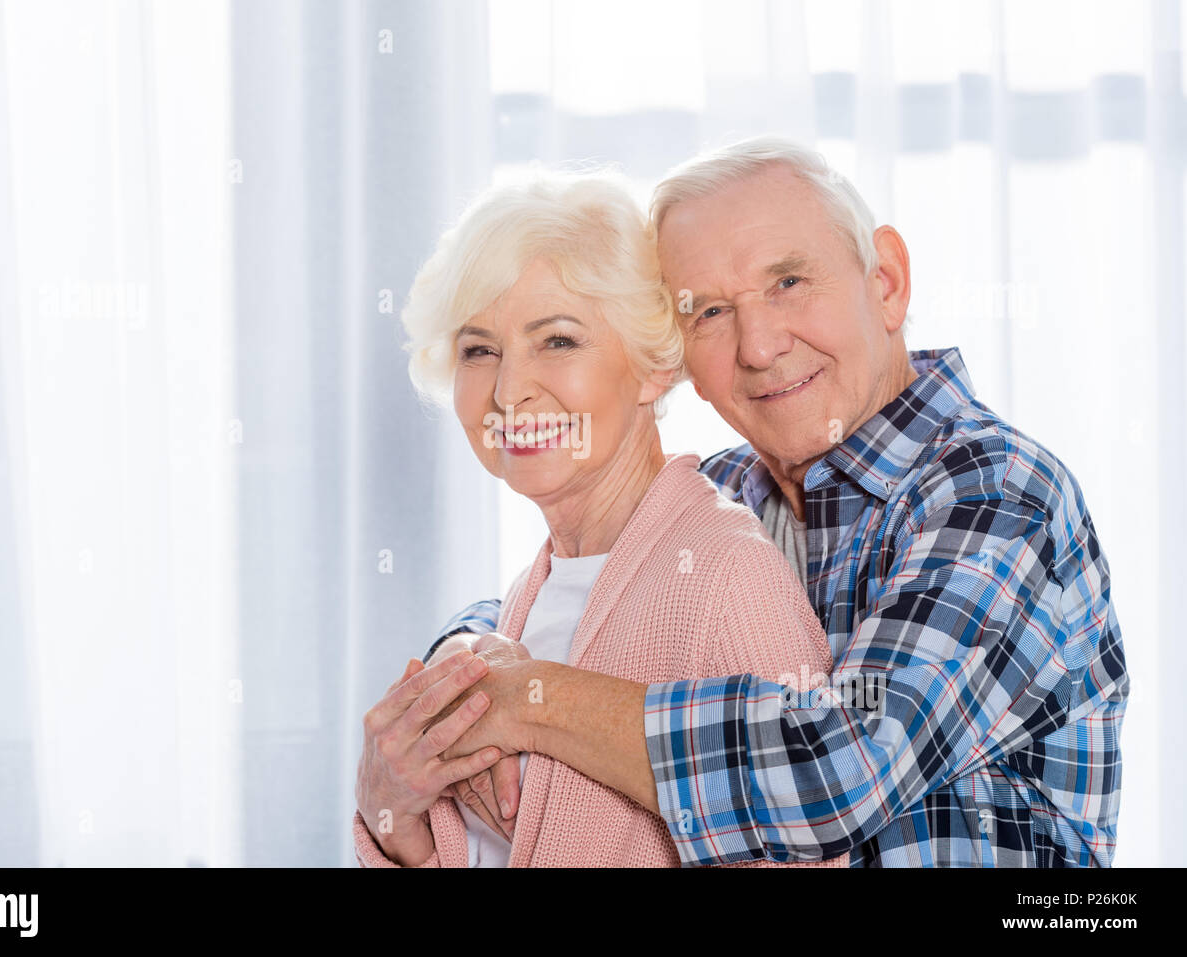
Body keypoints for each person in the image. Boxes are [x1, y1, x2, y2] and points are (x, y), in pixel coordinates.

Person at [419, 137, 1131, 867]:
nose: (758, 344)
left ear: (886, 281)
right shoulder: (718, 499)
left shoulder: (995, 491)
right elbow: (569, 602)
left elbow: (836, 771)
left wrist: (529, 697)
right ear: (676, 356)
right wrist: (465, 659)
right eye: (710, 312)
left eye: (788, 282)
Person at [352, 168, 847, 867]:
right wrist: (395, 818)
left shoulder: (725, 571)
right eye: (478, 349)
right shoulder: (529, 595)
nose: (510, 391)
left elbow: (810, 827)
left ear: (651, 365)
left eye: (557, 340)